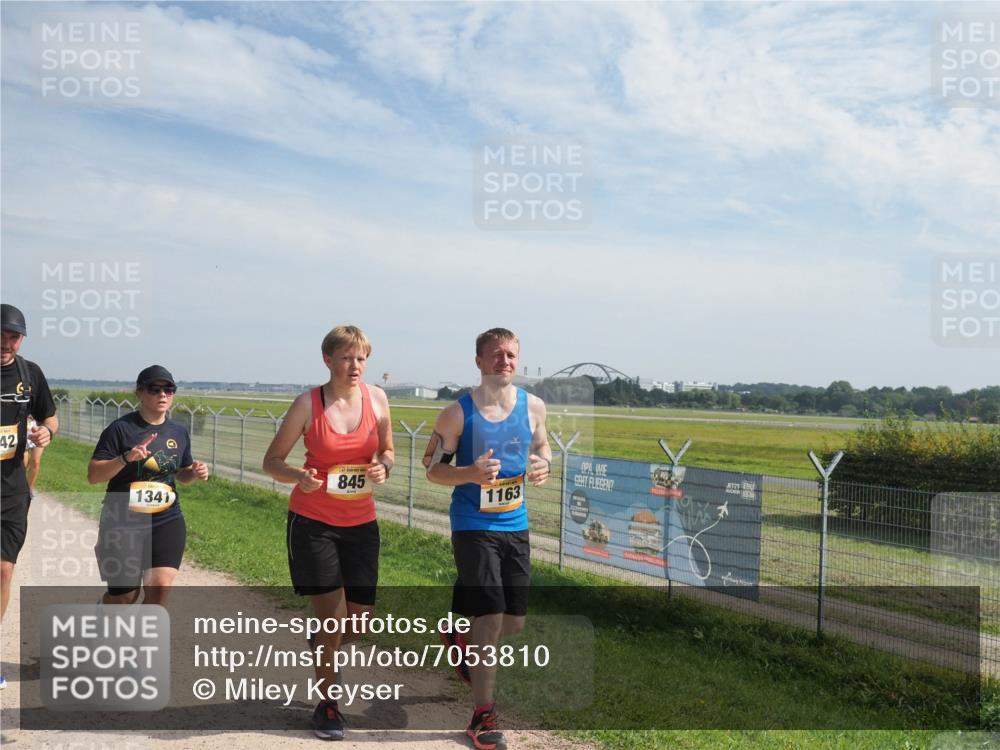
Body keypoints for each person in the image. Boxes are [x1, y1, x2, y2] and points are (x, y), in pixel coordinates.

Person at [262, 324, 394, 741]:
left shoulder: (378, 399)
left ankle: (322, 639)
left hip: (361, 523)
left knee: (357, 623)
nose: (355, 366)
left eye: (361, 358)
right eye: (346, 358)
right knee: (333, 618)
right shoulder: (307, 404)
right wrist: (296, 475)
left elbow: (388, 451)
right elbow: (272, 461)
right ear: (328, 360)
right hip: (313, 522)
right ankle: (328, 705)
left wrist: (383, 467)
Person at [424, 327, 551, 750]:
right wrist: (469, 474)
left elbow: (543, 448)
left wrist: (542, 466)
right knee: (492, 616)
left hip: (515, 523)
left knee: (513, 623)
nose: (505, 361)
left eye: (511, 354)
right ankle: (483, 715)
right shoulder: (456, 414)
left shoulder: (534, 407)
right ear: (478, 361)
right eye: (496, 354)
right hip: (472, 524)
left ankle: (460, 639)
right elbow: (433, 469)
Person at [87, 365, 209, 606]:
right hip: (122, 519)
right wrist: (125, 458)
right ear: (139, 393)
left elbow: (181, 475)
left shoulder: (179, 432)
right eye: (155, 389)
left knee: (160, 586)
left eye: (169, 389)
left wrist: (193, 473)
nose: (163, 395)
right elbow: (93, 475)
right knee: (124, 596)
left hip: (166, 518)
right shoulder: (120, 430)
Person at [1, 303, 58, 690]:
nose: (6, 342)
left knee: (3, 570)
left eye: (14, 335)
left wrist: (46, 433)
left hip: (11, 488)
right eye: (1, 333)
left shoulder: (30, 374)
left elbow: (49, 417)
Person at [23, 416, 46, 490]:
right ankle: (19, 488)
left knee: (36, 462)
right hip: (24, 426)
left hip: (39, 427)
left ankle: (28, 490)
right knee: (23, 464)